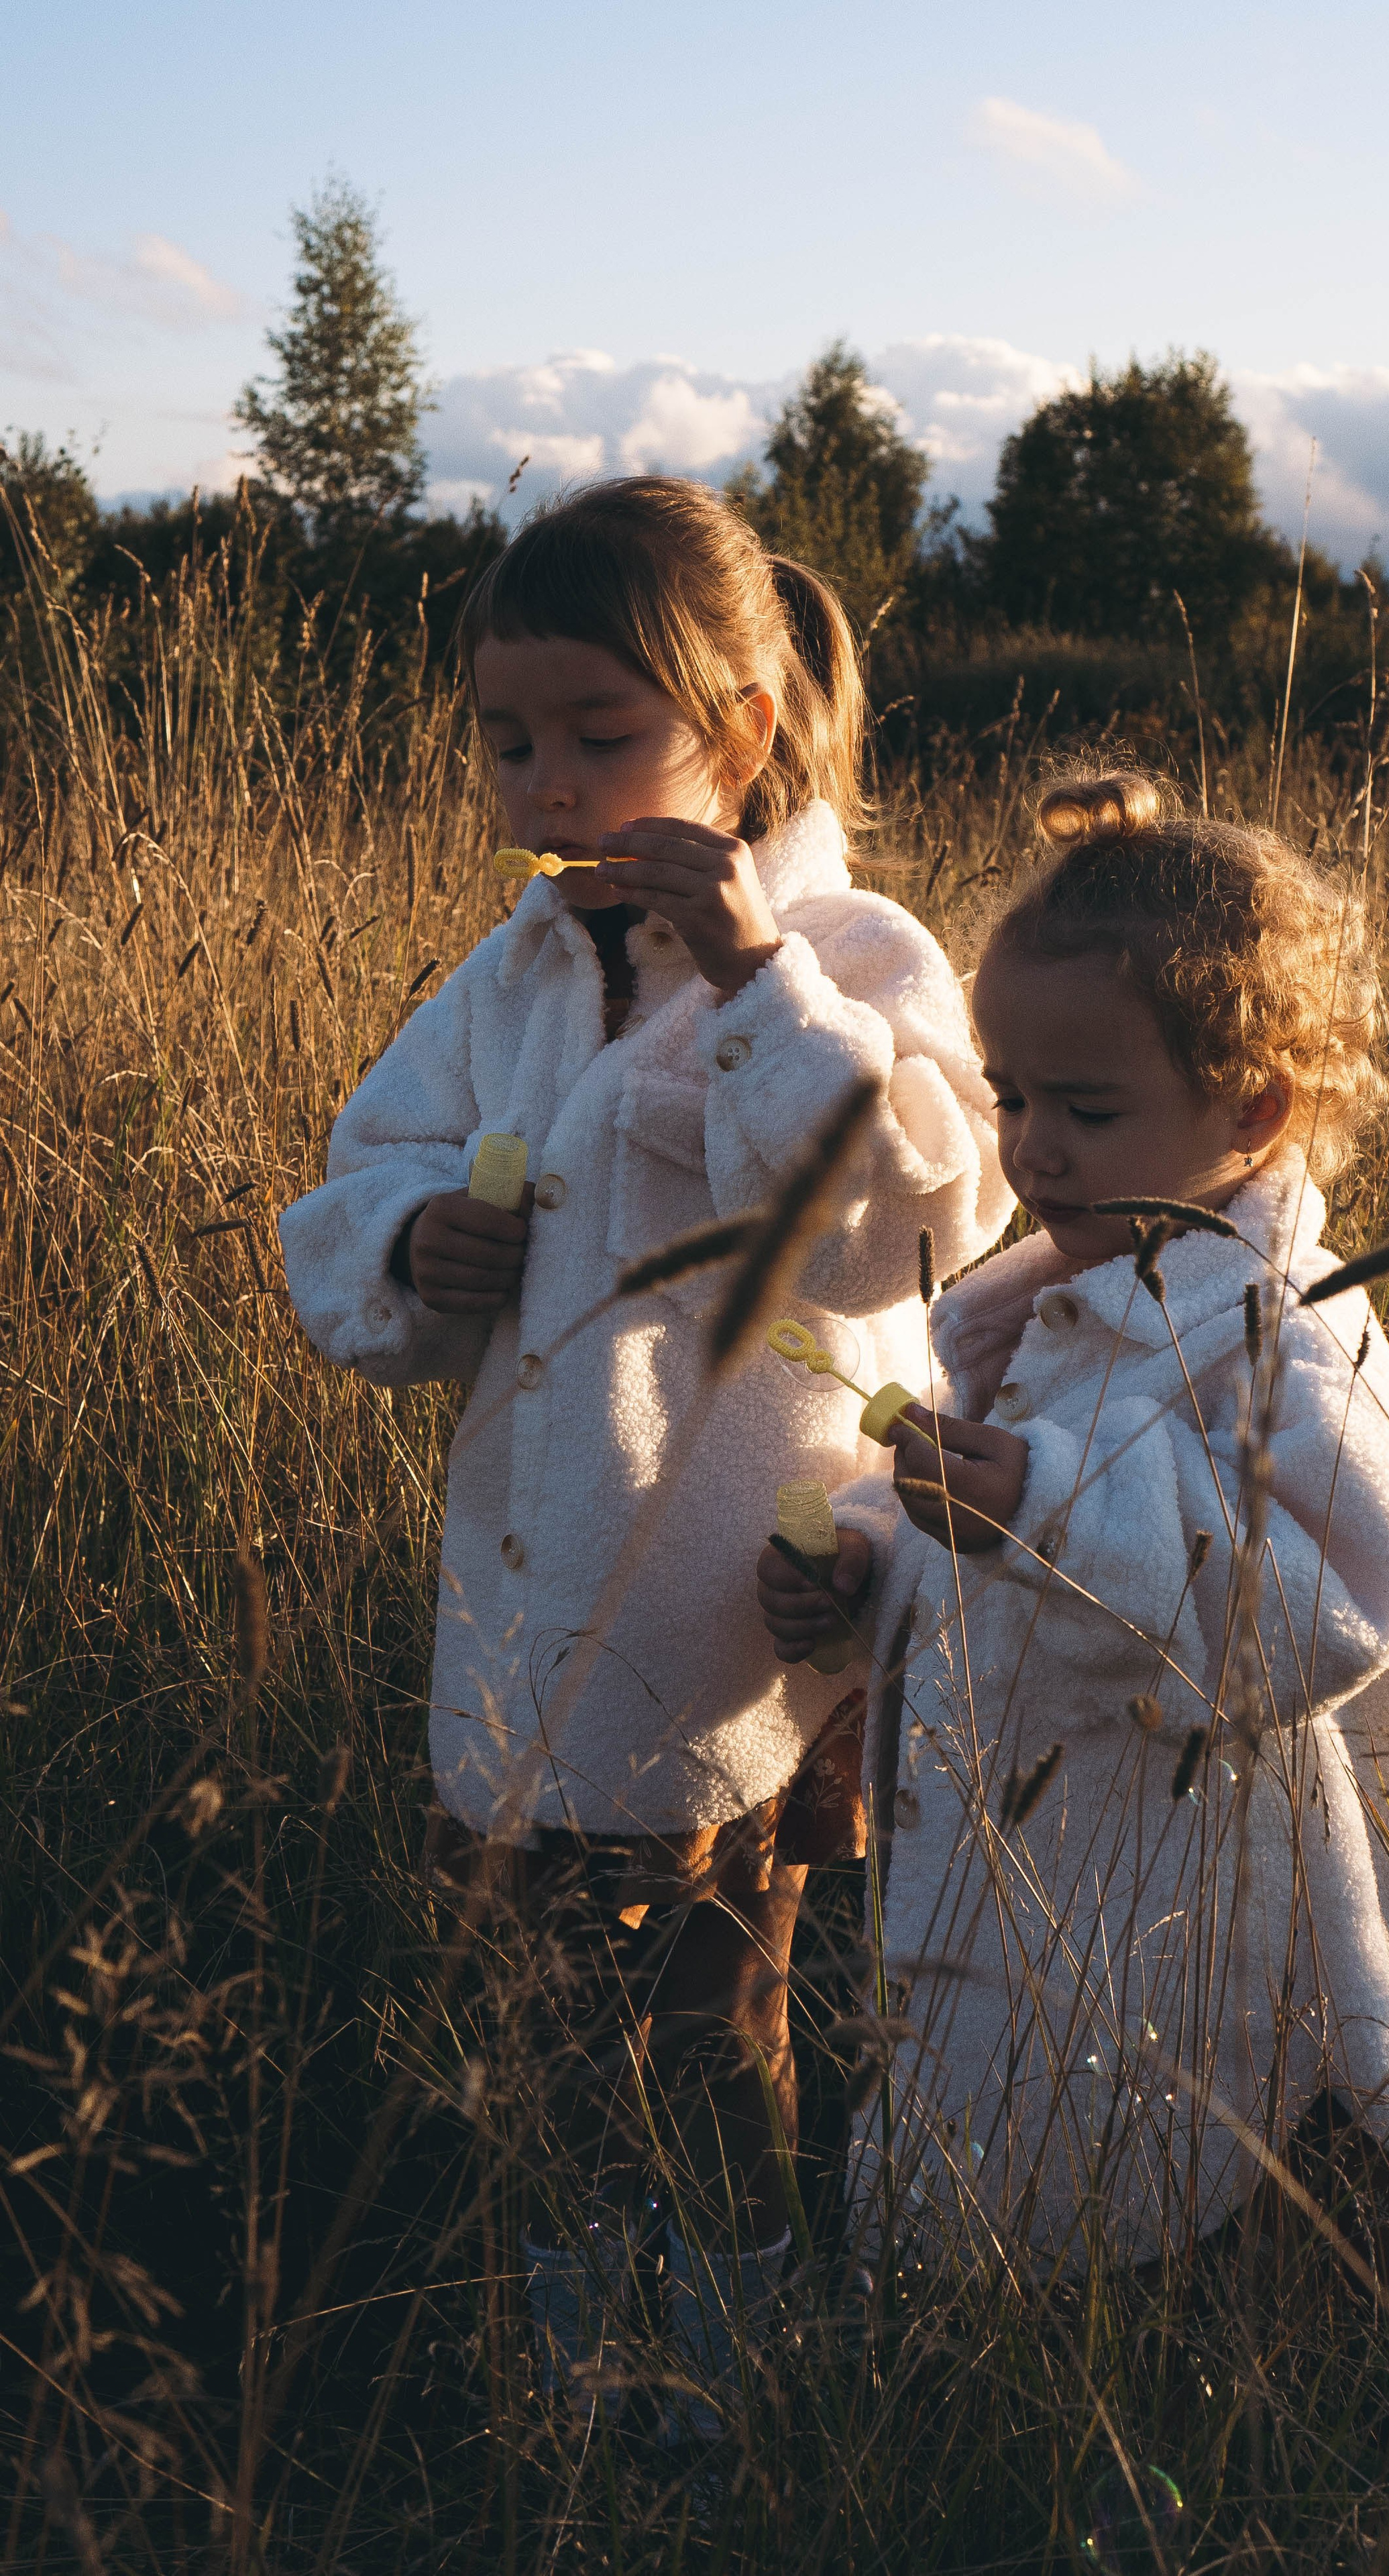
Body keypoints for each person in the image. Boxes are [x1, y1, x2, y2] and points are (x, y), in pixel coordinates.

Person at [277, 476, 1009, 2418]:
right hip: (529, 1584)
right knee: (541, 2012)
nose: (549, 784)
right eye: (509, 740)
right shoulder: (517, 972)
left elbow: (918, 1221)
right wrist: (413, 1242)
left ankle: (740, 2360)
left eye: (604, 738)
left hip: (732, 1603)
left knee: (713, 2003)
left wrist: (766, 980)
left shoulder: (860, 951)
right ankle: (579, 2353)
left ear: (743, 731)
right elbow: (367, 1172)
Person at [758, 770, 1389, 2278]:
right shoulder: (1052, 1314)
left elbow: (1344, 1596)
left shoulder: (1284, 1335)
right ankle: (947, 2377)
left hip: (1188, 1910)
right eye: (1011, 1100)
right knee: (985, 2167)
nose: (1032, 1153)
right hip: (1019, 1875)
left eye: (1086, 1110)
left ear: (1253, 1109)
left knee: (1151, 2201)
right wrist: (869, 1566)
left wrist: (1044, 1504)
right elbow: (995, 1564)